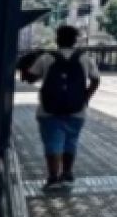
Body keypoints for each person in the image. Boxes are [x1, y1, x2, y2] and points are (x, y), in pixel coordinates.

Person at [22, 25, 101, 190]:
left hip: (48, 111)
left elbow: (30, 78)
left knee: (53, 143)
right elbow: (96, 79)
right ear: (74, 40)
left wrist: (24, 66)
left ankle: (53, 178)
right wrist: (86, 97)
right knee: (71, 142)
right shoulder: (85, 58)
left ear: (57, 39)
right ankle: (67, 173)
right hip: (77, 110)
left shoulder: (46, 58)